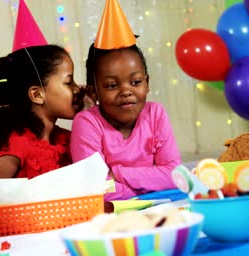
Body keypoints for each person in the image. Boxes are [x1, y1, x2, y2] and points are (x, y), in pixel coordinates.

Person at [70, 39, 181, 200]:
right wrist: (147, 192)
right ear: (94, 92)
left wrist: (117, 173)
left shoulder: (155, 113)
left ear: (147, 83)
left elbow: (175, 175)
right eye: (111, 85)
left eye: (136, 82)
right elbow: (95, 186)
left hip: (159, 208)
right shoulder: (87, 122)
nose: (126, 91)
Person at [0, 44, 88, 179]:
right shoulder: (17, 143)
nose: (77, 89)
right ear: (37, 95)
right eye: (68, 82)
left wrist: (90, 115)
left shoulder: (69, 139)